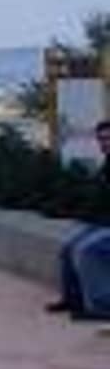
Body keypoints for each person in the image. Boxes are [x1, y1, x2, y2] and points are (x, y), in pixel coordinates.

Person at [47, 120, 110, 318]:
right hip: (103, 223)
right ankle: (74, 301)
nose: (104, 143)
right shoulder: (106, 165)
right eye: (101, 139)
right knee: (67, 249)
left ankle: (102, 307)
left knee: (87, 251)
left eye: (108, 139)